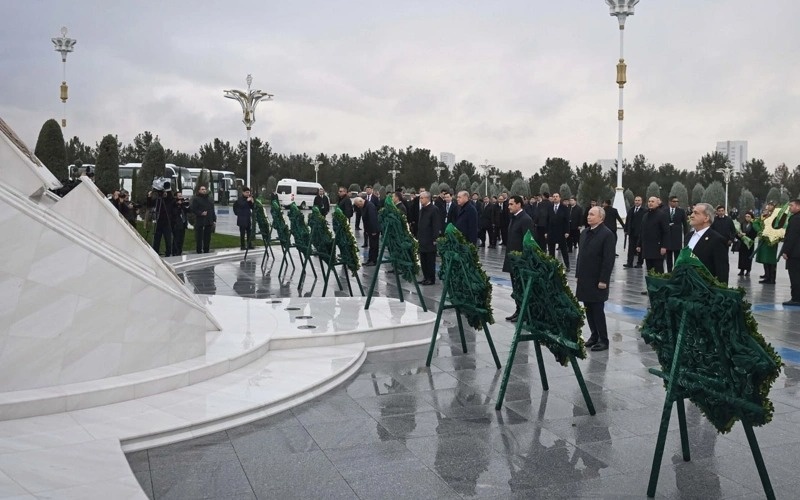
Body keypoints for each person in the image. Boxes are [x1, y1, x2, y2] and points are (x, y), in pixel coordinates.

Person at [576, 207, 616, 352]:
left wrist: (603, 280)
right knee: (588, 308)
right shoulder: (585, 232)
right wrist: (578, 274)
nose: (589, 216)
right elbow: (581, 255)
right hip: (585, 277)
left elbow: (608, 259)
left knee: (598, 310)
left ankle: (603, 339)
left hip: (597, 279)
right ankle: (594, 335)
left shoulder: (607, 234)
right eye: (588, 214)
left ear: (601, 218)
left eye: (592, 214)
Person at [503, 195, 534, 321]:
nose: (508, 206)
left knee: (521, 287)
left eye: (511, 204)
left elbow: (528, 242)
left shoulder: (525, 219)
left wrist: (524, 260)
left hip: (520, 261)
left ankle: (524, 312)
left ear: (519, 204)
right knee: (516, 287)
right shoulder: (514, 218)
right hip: (513, 259)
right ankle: (518, 310)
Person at [686, 203, 730, 284]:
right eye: (692, 212)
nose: (691, 215)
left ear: (706, 218)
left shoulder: (717, 240)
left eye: (696, 213)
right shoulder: (688, 236)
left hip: (705, 288)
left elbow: (722, 271)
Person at [637, 196, 669, 276]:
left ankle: (659, 287)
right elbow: (642, 231)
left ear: (657, 203)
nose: (650, 203)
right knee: (649, 270)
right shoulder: (645, 216)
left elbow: (666, 232)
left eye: (652, 201)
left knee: (658, 271)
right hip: (647, 248)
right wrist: (639, 244)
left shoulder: (662, 215)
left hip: (657, 248)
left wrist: (664, 246)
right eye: (649, 201)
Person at [416, 192, 441, 285]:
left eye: (422, 198)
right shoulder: (422, 209)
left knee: (430, 261)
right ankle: (425, 277)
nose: (420, 200)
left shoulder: (434, 209)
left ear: (427, 198)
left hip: (430, 239)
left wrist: (435, 238)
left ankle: (431, 278)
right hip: (422, 239)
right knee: (423, 260)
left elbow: (436, 225)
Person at [780, 200, 800, 306]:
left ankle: (796, 298)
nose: (790, 208)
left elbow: (791, 237)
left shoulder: (795, 219)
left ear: (798, 206)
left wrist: (785, 251)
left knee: (795, 276)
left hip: (795, 253)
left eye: (791, 206)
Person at [754, 203, 779, 285]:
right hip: (763, 239)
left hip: (771, 240)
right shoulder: (764, 215)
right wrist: (760, 231)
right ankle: (767, 276)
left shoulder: (776, 216)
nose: (769, 207)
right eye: (768, 205)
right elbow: (756, 223)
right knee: (764, 259)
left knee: (770, 260)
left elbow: (778, 226)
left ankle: (772, 278)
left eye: (771, 205)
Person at [147, 188, 175, 257]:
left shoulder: (169, 200)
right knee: (157, 239)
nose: (165, 193)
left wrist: (168, 190)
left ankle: (168, 253)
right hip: (159, 221)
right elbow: (150, 204)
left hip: (167, 222)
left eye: (166, 192)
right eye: (163, 192)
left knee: (168, 240)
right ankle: (156, 253)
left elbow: (171, 198)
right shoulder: (158, 200)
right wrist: (149, 197)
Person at [547, 193, 571, 271]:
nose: (555, 198)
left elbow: (567, 221)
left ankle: (567, 265)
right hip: (551, 231)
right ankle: (552, 265)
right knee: (551, 250)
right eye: (553, 197)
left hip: (561, 232)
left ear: (560, 198)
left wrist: (567, 232)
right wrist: (546, 232)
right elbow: (547, 220)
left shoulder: (564, 208)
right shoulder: (549, 207)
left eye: (556, 197)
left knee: (564, 250)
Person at [665, 196, 690, 272]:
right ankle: (669, 271)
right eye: (674, 201)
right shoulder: (664, 211)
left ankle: (676, 271)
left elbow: (685, 224)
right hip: (667, 236)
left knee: (677, 256)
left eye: (677, 201)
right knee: (668, 256)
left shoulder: (681, 211)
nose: (676, 203)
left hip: (677, 237)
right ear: (669, 202)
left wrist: (686, 236)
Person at [190, 185, 216, 254]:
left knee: (207, 237)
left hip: (208, 221)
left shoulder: (209, 199)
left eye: (205, 189)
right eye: (202, 189)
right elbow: (194, 209)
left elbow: (212, 210)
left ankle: (206, 250)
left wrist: (214, 219)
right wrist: (201, 213)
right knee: (199, 237)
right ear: (199, 190)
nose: (204, 190)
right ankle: (199, 250)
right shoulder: (196, 199)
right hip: (200, 220)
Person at [353, 196, 378, 265]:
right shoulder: (364, 206)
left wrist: (373, 231)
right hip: (369, 229)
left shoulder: (370, 206)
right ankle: (370, 259)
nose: (358, 206)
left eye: (358, 204)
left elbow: (373, 219)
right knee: (371, 245)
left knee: (374, 245)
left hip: (373, 230)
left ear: (361, 201)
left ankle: (373, 260)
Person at [623, 196, 645, 268]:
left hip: (640, 233)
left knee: (639, 248)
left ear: (641, 202)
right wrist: (626, 229)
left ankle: (639, 263)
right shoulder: (631, 210)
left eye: (639, 200)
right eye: (636, 200)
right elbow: (628, 220)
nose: (637, 202)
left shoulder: (644, 211)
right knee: (631, 248)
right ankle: (629, 263)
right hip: (632, 232)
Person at [737, 212, 757, 276]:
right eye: (746, 216)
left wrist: (746, 235)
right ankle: (741, 270)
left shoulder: (754, 225)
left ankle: (748, 270)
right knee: (742, 257)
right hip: (743, 243)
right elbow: (738, 232)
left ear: (751, 217)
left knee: (748, 257)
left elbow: (754, 234)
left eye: (748, 216)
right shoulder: (742, 224)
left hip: (750, 243)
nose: (747, 218)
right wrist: (739, 235)